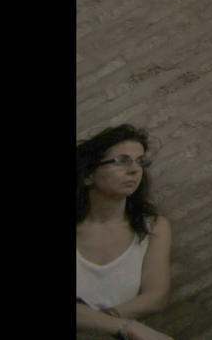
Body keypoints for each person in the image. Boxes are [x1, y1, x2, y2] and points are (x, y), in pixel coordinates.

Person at [77, 125, 174, 340]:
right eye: (121, 161)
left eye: (140, 161)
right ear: (88, 176)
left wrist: (107, 323)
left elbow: (156, 296)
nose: (135, 170)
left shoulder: (153, 227)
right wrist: (123, 327)